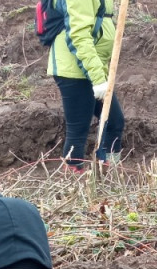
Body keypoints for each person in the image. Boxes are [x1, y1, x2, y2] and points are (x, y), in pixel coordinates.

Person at [46, 0, 124, 171]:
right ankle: (73, 184)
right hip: (74, 69)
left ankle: (109, 175)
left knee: (114, 122)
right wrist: (97, 78)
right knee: (78, 132)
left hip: (93, 65)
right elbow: (79, 36)